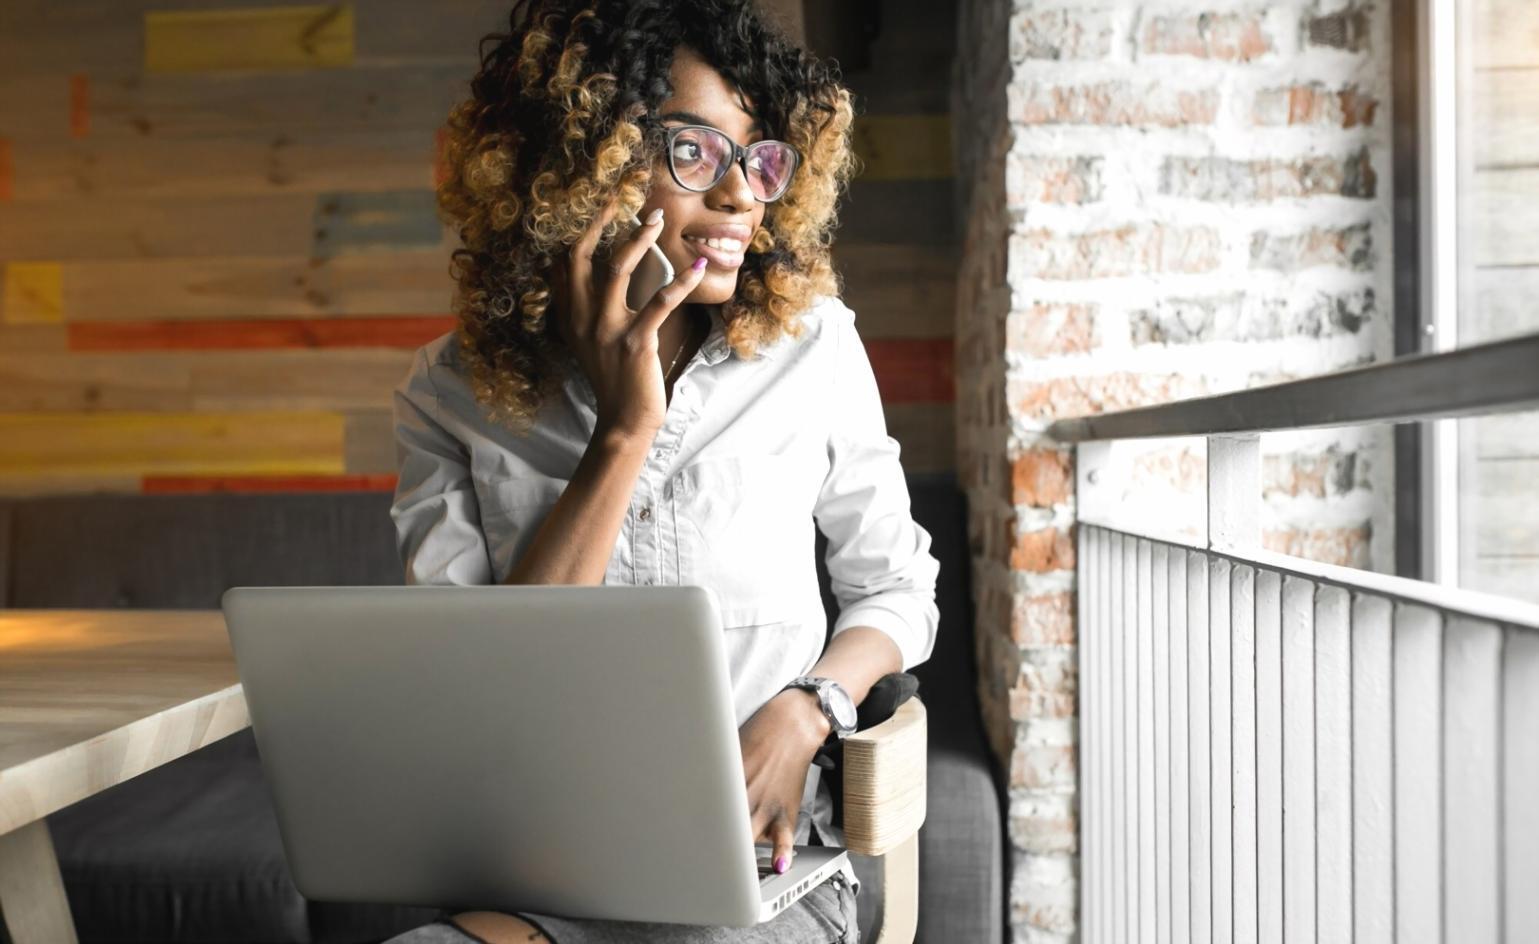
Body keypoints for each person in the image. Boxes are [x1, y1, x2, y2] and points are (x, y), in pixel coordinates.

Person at [383, 1, 940, 941]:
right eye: (695, 154)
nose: (738, 198)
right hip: (542, 880)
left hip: (763, 876)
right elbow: (484, 688)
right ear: (577, 164)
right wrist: (623, 432)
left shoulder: (815, 350)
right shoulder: (449, 394)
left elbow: (896, 588)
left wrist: (810, 709)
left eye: (758, 159)